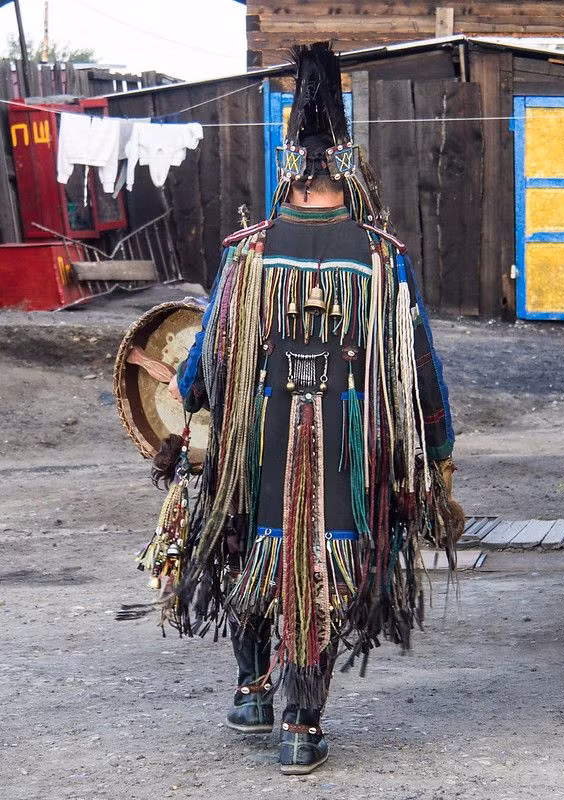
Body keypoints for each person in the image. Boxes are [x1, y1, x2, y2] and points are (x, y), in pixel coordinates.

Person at [162, 42, 460, 775]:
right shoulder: (382, 257)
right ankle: (301, 726)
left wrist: (186, 394)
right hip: (348, 446)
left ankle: (252, 691)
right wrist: (437, 448)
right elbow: (419, 365)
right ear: (351, 175)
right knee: (320, 567)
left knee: (246, 545)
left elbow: (209, 355)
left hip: (257, 440)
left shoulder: (248, 254)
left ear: (287, 174)